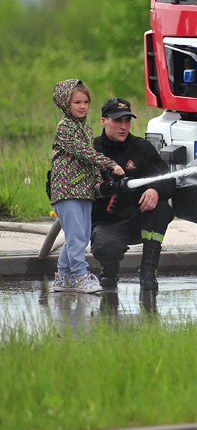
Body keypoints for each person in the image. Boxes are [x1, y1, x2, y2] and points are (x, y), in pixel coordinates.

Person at [91, 98, 175, 292]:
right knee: (106, 246)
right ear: (103, 121)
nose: (124, 126)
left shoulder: (141, 148)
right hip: (107, 221)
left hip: (139, 218)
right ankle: (109, 271)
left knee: (162, 207)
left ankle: (147, 271)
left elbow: (169, 179)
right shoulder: (92, 150)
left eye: (127, 120)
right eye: (118, 120)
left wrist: (155, 190)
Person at [49, 79, 124, 294]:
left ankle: (63, 278)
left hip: (83, 192)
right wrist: (110, 164)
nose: (82, 106)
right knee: (76, 237)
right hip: (66, 192)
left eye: (86, 102)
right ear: (65, 103)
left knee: (81, 236)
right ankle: (80, 277)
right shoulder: (65, 128)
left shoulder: (84, 128)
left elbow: (87, 165)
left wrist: (99, 185)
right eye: (77, 102)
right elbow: (84, 153)